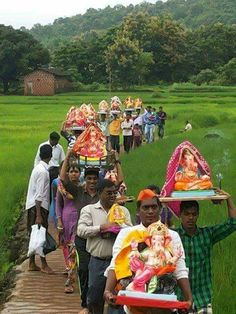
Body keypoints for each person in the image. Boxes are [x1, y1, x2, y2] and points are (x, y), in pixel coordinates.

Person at [104, 189, 192, 314]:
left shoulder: (172, 235)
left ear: (160, 209)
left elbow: (180, 270)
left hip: (163, 300)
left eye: (154, 207)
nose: (150, 211)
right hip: (133, 300)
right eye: (146, 208)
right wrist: (108, 291)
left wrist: (189, 299)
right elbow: (116, 264)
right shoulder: (127, 234)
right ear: (138, 211)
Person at [77, 179, 132, 314]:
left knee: (117, 299)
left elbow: (131, 232)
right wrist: (101, 228)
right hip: (98, 261)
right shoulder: (89, 210)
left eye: (114, 193)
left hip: (119, 263)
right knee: (95, 298)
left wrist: (118, 229)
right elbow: (81, 230)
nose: (113, 196)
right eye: (109, 193)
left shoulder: (122, 211)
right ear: (99, 193)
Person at [176, 193, 236, 313]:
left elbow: (232, 223)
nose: (190, 218)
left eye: (194, 214)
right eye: (187, 214)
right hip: (179, 298)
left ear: (198, 215)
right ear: (180, 215)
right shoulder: (173, 236)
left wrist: (228, 199)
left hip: (202, 297)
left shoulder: (207, 234)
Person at [60, 149, 99, 312]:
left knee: (95, 271)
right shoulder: (78, 191)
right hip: (81, 237)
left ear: (98, 180)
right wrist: (68, 156)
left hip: (97, 238)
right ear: (85, 179)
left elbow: (118, 182)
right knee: (83, 269)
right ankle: (85, 303)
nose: (91, 181)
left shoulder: (102, 193)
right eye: (89, 178)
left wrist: (116, 162)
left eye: (94, 179)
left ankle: (94, 302)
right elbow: (62, 178)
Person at [26, 144, 54, 274]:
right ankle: (43, 264)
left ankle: (32, 262)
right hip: (39, 206)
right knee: (41, 233)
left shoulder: (37, 168)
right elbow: (39, 195)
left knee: (34, 234)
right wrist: (38, 214)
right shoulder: (43, 172)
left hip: (33, 205)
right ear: (51, 156)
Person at [56, 161, 81, 293]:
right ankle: (72, 276)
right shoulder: (62, 187)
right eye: (71, 171)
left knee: (73, 249)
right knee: (68, 248)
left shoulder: (83, 188)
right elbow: (58, 205)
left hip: (79, 221)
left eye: (76, 171)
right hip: (66, 220)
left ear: (80, 173)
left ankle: (70, 281)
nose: (73, 174)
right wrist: (59, 221)